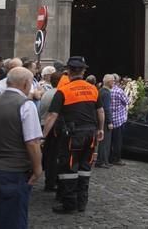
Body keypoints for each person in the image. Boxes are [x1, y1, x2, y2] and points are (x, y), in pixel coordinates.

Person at [0, 67, 42, 229]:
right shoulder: (26, 105)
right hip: (14, 173)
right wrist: (37, 169)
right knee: (12, 222)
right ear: (27, 83)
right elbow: (32, 142)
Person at [42, 56, 104, 214]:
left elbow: (52, 116)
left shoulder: (63, 91)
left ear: (68, 71)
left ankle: (69, 204)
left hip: (72, 135)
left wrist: (43, 136)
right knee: (85, 168)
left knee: (68, 168)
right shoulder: (93, 89)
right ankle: (82, 203)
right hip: (90, 133)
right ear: (83, 72)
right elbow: (100, 111)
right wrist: (100, 129)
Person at [39, 71, 62, 193]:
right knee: (53, 157)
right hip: (51, 127)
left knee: (49, 156)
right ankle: (51, 182)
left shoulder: (47, 93)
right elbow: (53, 114)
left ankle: (50, 181)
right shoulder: (57, 94)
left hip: (44, 125)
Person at [95, 74, 114, 168]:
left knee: (103, 141)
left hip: (100, 119)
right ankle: (102, 161)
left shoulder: (101, 91)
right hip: (105, 120)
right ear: (109, 82)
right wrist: (110, 121)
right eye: (113, 81)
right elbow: (107, 108)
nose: (114, 83)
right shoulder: (106, 93)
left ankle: (103, 160)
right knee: (105, 141)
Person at [110, 74, 129, 167]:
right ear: (117, 81)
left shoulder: (106, 90)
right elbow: (127, 101)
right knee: (117, 141)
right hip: (118, 120)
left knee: (109, 141)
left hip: (109, 120)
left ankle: (108, 158)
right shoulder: (119, 91)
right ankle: (116, 159)